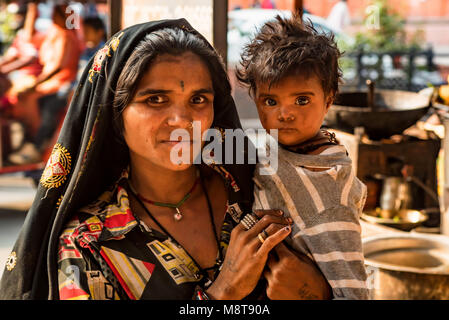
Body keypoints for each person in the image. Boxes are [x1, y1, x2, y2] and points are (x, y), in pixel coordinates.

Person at [0, 19, 332, 300]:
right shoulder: (88, 245)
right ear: (116, 114)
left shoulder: (256, 191)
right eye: (156, 99)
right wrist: (224, 291)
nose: (182, 120)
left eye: (198, 99)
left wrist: (318, 292)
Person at [236, 14, 369, 299]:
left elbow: (354, 291)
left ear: (329, 99)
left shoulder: (327, 191)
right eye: (271, 101)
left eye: (302, 100)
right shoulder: (284, 150)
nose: (285, 114)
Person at [7, 3, 82, 165]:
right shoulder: (53, 33)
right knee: (19, 95)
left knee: (32, 99)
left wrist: (36, 83)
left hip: (62, 82)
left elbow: (58, 67)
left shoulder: (66, 36)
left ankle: (37, 144)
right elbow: (29, 42)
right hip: (49, 81)